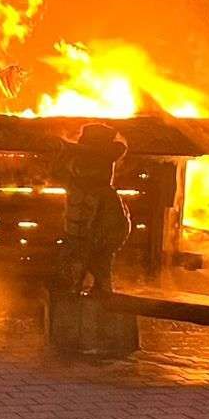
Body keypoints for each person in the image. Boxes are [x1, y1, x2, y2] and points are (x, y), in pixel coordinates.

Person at [56, 122, 131, 296]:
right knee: (75, 260)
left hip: (101, 236)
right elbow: (57, 171)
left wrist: (75, 149)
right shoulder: (74, 181)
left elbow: (112, 228)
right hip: (78, 232)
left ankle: (100, 292)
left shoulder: (105, 194)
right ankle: (75, 289)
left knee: (100, 263)